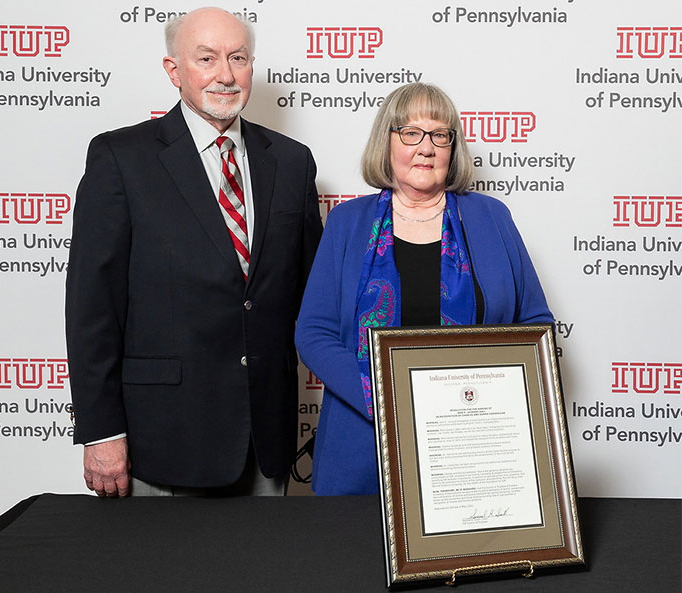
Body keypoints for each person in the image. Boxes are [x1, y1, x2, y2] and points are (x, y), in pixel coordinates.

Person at [66, 7, 322, 498]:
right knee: (160, 577)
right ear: (174, 71)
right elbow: (90, 308)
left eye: (238, 58)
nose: (225, 75)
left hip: (263, 440)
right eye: (206, 58)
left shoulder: (291, 162)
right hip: (160, 441)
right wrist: (101, 432)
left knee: (265, 576)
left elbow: (309, 300)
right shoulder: (121, 159)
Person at [295, 82, 552, 495]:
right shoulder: (348, 222)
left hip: (474, 446)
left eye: (439, 134)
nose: (426, 147)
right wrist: (386, 405)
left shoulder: (491, 218)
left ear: (453, 148)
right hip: (364, 441)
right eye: (410, 133)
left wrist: (481, 405)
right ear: (388, 141)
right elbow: (314, 333)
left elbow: (536, 324)